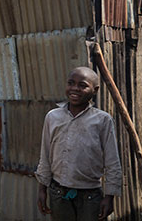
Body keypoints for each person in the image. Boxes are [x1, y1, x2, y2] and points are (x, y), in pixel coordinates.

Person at [35, 67, 122, 221]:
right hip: (58, 193)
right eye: (71, 83)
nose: (75, 89)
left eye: (82, 85)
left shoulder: (102, 120)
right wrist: (42, 189)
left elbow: (112, 161)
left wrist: (110, 197)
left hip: (90, 196)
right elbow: (46, 155)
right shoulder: (53, 117)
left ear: (95, 90)